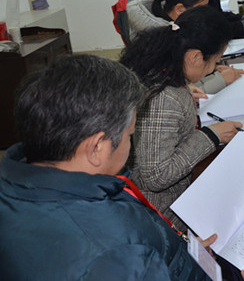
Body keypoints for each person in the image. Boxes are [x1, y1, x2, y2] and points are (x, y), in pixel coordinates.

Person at [0, 54, 212, 279]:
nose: (130, 144)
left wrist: (180, 255)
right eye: (130, 135)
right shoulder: (117, 250)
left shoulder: (16, 187)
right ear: (97, 147)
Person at [120, 6, 243, 231]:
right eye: (215, 61)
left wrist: (185, 94)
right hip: (165, 214)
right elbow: (156, 176)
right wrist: (211, 135)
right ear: (195, 56)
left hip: (171, 198)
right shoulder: (164, 98)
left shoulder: (160, 69)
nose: (213, 69)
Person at [127, 0, 244, 94]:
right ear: (179, 9)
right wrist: (219, 80)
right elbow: (178, 92)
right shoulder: (164, 40)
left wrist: (208, 65)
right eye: (201, 8)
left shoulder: (173, 24)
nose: (205, 13)